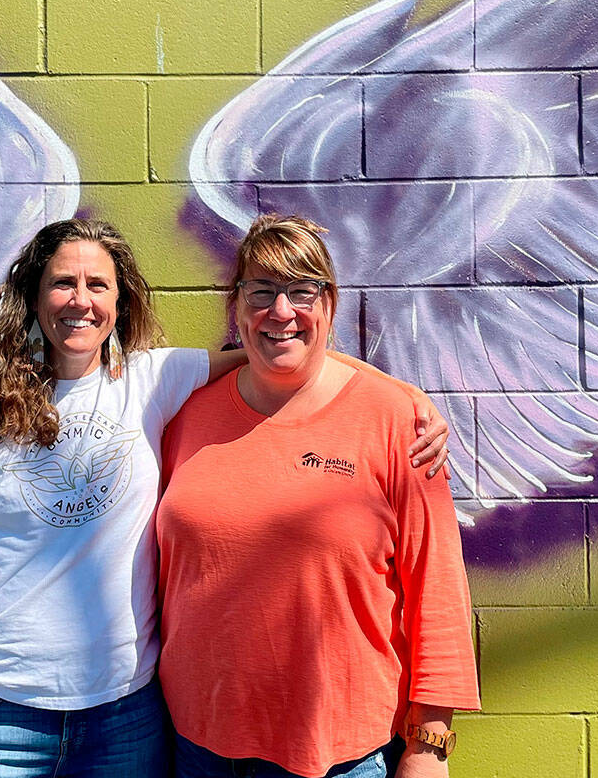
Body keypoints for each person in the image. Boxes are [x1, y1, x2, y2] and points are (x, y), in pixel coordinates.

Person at [0, 218, 453, 778]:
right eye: (63, 282)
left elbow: (286, 348)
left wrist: (406, 394)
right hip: (7, 709)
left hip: (127, 713)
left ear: (120, 302)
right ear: (34, 295)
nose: (81, 301)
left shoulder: (151, 380)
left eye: (98, 285)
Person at [156, 214, 479, 778]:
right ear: (237, 305)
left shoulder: (396, 420)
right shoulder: (184, 414)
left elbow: (437, 583)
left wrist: (430, 743)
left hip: (339, 753)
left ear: (329, 304)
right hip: (197, 744)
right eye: (261, 291)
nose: (281, 311)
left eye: (302, 291)